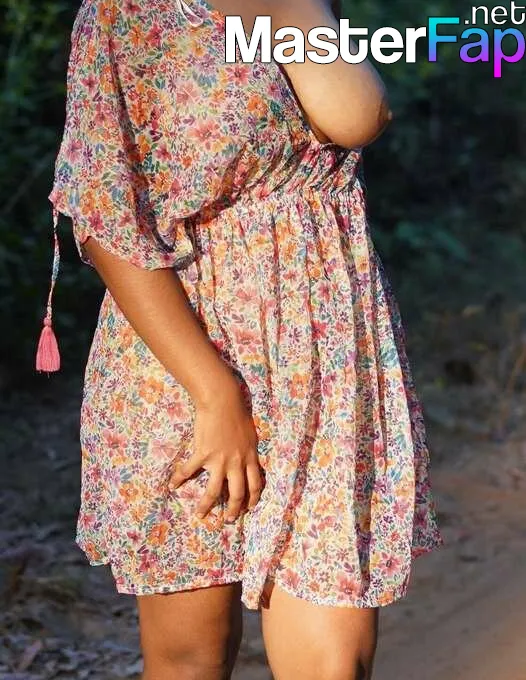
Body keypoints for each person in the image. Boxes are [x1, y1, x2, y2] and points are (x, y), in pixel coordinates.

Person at [37, 0, 443, 678]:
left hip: (325, 350)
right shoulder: (125, 13)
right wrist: (215, 393)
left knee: (334, 662)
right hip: (185, 352)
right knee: (189, 659)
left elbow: (357, 116)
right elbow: (107, 221)